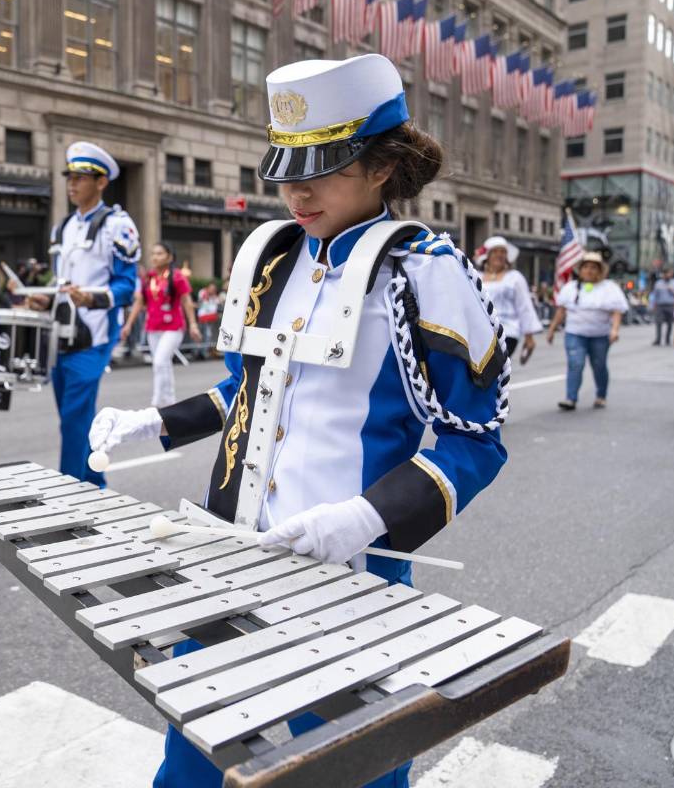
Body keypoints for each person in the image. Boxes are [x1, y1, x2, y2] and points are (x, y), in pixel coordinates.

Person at [89, 54, 508, 788]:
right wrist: (153, 422)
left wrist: (363, 519)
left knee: (353, 767)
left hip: (352, 566)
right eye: (286, 168)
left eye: (322, 167)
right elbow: (246, 393)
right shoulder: (271, 259)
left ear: (382, 166)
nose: (295, 189)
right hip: (233, 550)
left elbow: (477, 439)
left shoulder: (425, 270)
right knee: (193, 753)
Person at [27, 141, 139, 485]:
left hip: (94, 335)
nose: (72, 184)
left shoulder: (118, 225)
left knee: (74, 419)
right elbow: (63, 282)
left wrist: (91, 298)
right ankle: (93, 484)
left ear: (101, 182)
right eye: (69, 177)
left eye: (81, 177)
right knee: (75, 418)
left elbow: (126, 286)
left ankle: (68, 492)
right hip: (61, 333)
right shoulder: (62, 227)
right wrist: (46, 298)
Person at [545, 251, 628, 410]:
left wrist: (615, 330)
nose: (589, 271)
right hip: (575, 333)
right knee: (576, 363)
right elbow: (561, 311)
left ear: (599, 271)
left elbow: (617, 311)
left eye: (593, 268)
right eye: (586, 267)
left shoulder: (609, 288)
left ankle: (601, 395)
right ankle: (571, 398)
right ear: (580, 270)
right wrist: (551, 330)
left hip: (600, 335)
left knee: (599, 365)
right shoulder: (570, 288)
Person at [121, 242, 200, 406]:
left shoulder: (177, 276)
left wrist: (193, 325)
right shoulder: (148, 278)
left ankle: (157, 401)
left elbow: (186, 301)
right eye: (153, 254)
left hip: (173, 327)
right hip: (153, 327)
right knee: (163, 363)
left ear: (169, 257)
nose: (155, 257)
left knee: (159, 361)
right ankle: (170, 401)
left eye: (159, 254)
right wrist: (128, 325)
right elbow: (139, 303)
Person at [476, 236, 541, 361]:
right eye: (495, 252)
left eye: (503, 252)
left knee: (494, 368)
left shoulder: (514, 278)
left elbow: (524, 307)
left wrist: (529, 336)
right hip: (480, 332)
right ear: (487, 256)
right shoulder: (476, 277)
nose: (499, 255)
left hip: (507, 331)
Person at [650, 269, 674, 346]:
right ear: (663, 274)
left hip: (671, 305)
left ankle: (667, 339)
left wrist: (672, 290)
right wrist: (653, 305)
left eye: (669, 273)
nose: (668, 275)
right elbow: (655, 295)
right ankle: (658, 339)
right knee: (658, 322)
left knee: (670, 323)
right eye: (666, 274)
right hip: (660, 305)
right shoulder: (658, 283)